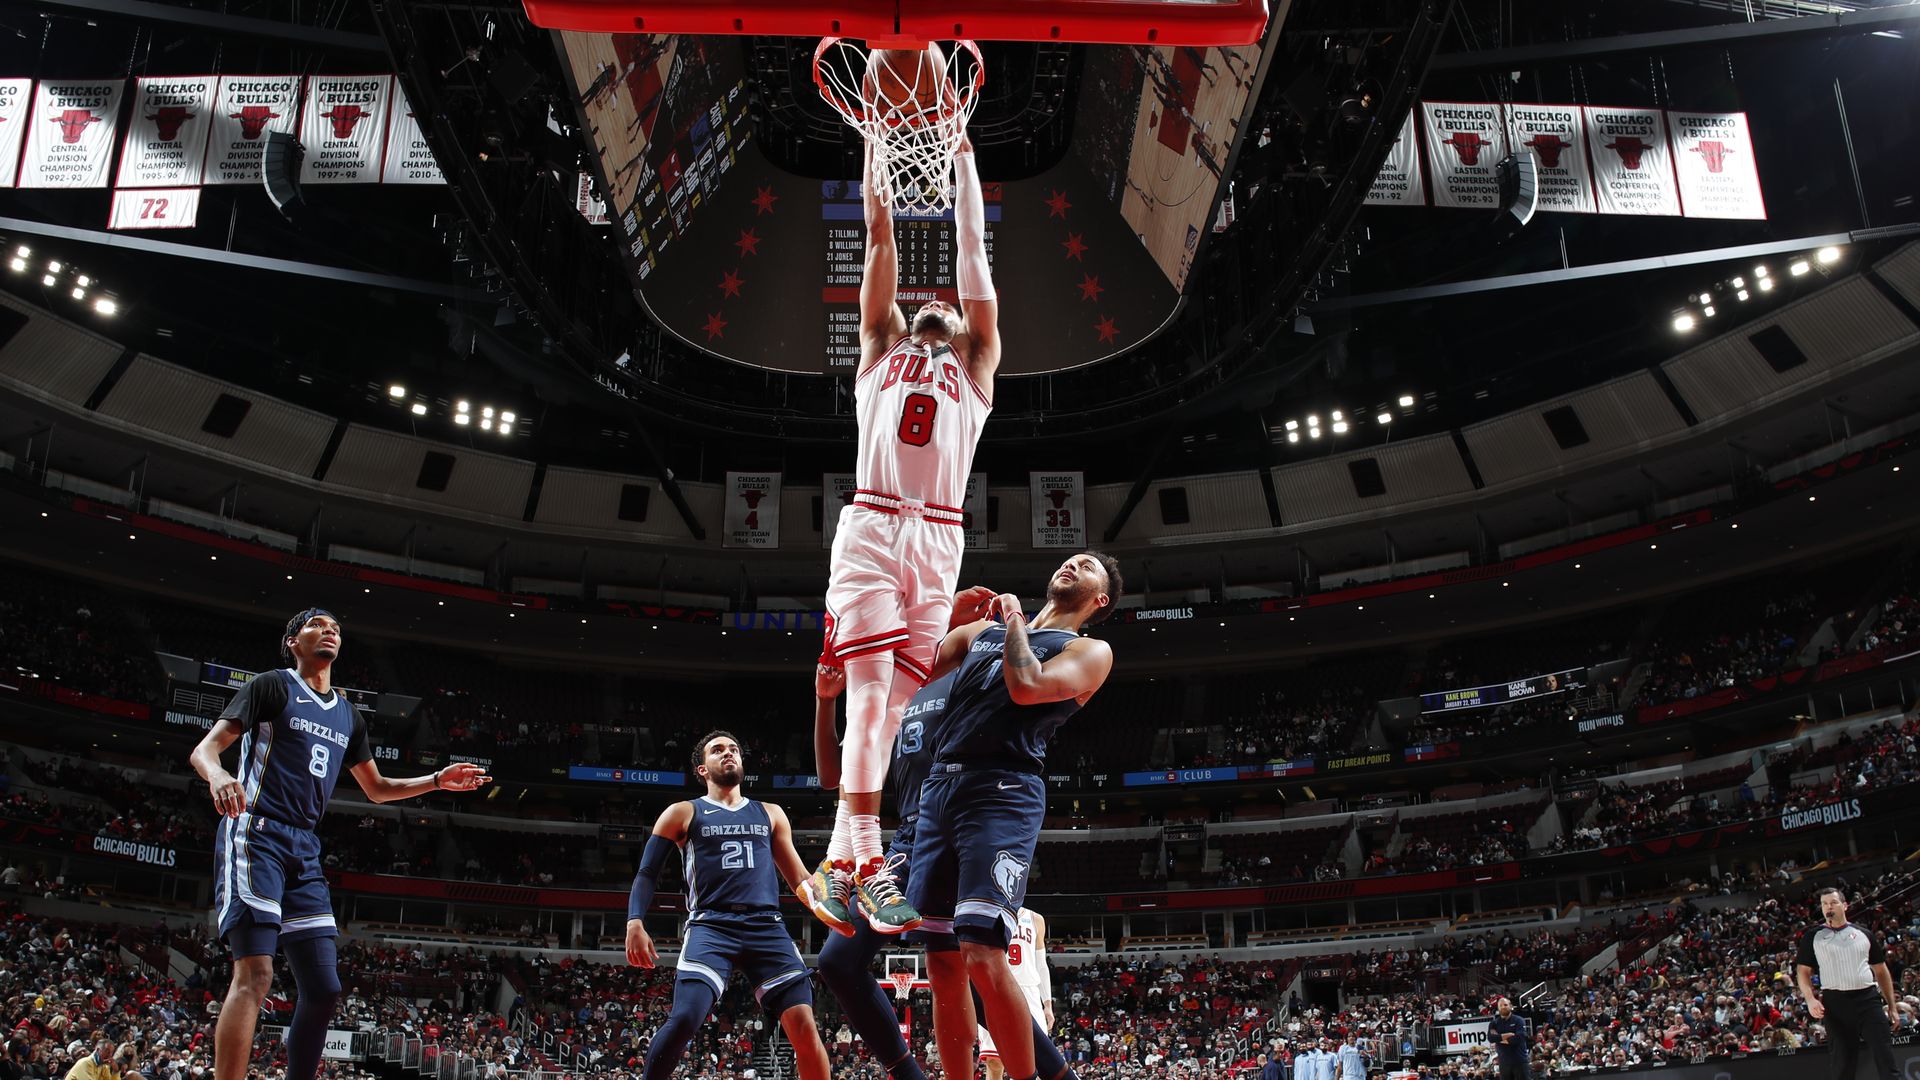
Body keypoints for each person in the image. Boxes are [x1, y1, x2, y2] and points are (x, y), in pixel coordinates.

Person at [804, 118, 1002, 938]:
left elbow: (974, 258)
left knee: (899, 712)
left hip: (941, 538)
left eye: (947, 310)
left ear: (959, 326)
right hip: (877, 522)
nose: (936, 307)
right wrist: (878, 146)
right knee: (871, 692)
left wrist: (961, 160)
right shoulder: (882, 344)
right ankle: (860, 853)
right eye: (928, 308)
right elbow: (880, 231)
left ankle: (843, 862)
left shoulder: (978, 363)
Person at [189, 608, 490, 1080]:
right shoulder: (272, 686)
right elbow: (203, 750)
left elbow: (377, 789)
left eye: (336, 628)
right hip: (256, 831)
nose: (329, 631)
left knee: (325, 988)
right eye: (317, 625)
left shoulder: (349, 716)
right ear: (293, 641)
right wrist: (220, 775)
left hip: (304, 847)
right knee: (256, 975)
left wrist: (436, 780)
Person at [908, 552, 1122, 1080]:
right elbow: (911, 675)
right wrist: (945, 620)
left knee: (982, 952)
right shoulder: (983, 632)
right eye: (1071, 559)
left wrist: (1013, 623)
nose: (1073, 564)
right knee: (942, 964)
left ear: (1100, 600)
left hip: (1001, 789)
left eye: (1088, 566)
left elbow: (1028, 686)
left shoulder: (1089, 649)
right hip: (940, 785)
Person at [813, 665, 1079, 1080]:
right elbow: (834, 774)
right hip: (907, 835)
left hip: (962, 824)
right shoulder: (898, 686)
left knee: (972, 971)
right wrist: (826, 700)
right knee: (838, 960)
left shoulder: (979, 679)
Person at [625, 731, 831, 1080]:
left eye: (734, 749)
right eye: (717, 750)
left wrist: (834, 900)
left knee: (804, 1026)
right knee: (686, 1018)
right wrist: (635, 922)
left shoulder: (771, 813)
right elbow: (647, 873)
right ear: (702, 768)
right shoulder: (682, 812)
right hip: (711, 924)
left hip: (766, 926)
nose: (728, 753)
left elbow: (800, 879)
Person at [1795, 886, 1900, 1080]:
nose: (1828, 907)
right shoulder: (1813, 936)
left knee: (1884, 1056)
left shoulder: (1863, 933)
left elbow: (1881, 971)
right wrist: (1810, 999)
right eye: (1824, 903)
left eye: (1833, 902)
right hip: (1835, 1003)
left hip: (1867, 999)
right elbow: (1802, 972)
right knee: (1843, 1063)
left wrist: (1892, 1006)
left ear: (1844, 905)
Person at [979, 907, 1056, 1080]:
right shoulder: (987, 912)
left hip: (1028, 990)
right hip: (994, 988)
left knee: (1035, 1059)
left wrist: (1048, 1004)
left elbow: (1041, 964)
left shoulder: (1035, 918)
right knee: (994, 1061)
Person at [1489, 998, 1529, 1080]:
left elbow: (1519, 1038)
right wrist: (1508, 1035)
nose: (1503, 1007)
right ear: (1498, 1008)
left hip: (1519, 1061)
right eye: (1501, 1005)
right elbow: (1491, 1038)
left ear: (1510, 1006)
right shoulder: (1494, 1023)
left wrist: (1499, 1038)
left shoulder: (1519, 1020)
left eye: (1505, 1005)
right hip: (1504, 1063)